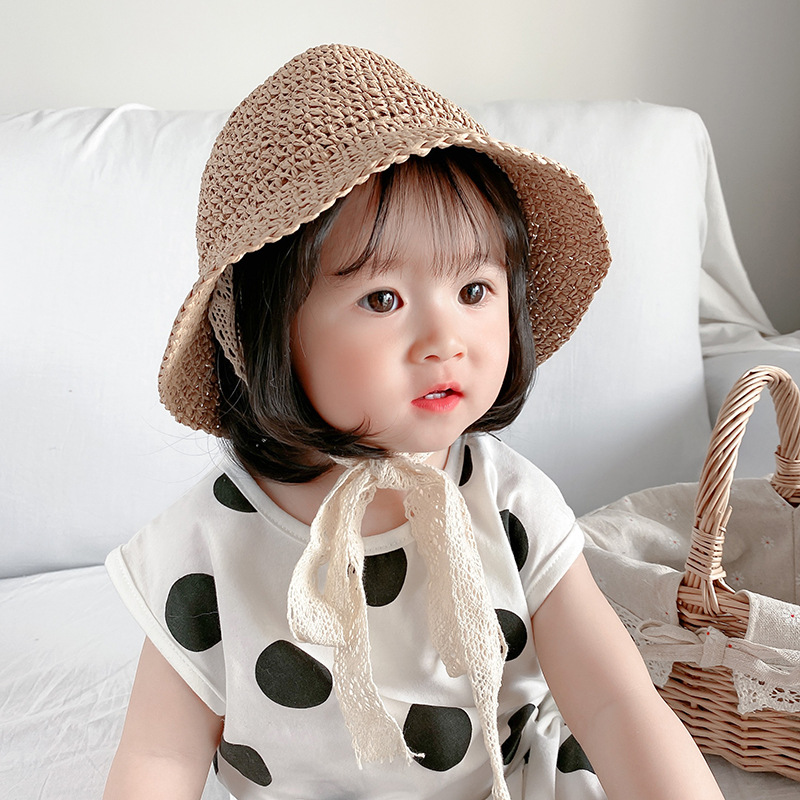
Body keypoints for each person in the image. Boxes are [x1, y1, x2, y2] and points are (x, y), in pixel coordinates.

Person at [103, 44, 724, 800]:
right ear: (269, 334)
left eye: (474, 290)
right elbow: (158, 760)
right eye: (382, 299)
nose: (444, 339)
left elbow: (615, 703)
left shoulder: (510, 506)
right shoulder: (209, 546)